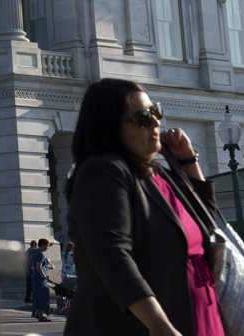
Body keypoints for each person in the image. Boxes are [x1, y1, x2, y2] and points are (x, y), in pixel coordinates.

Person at [64, 78, 225, 336]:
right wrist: (159, 326)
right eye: (142, 118)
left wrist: (187, 160)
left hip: (199, 319)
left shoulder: (156, 172)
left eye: (156, 112)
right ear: (110, 127)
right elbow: (113, 255)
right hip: (141, 327)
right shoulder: (104, 172)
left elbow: (207, 227)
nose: (155, 122)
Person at [30, 238, 53, 322]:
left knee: (37, 296)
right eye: (47, 246)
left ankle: (39, 313)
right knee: (42, 295)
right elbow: (38, 267)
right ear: (43, 245)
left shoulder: (36, 252)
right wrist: (44, 276)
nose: (47, 248)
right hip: (40, 278)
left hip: (36, 277)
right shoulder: (41, 254)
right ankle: (41, 315)